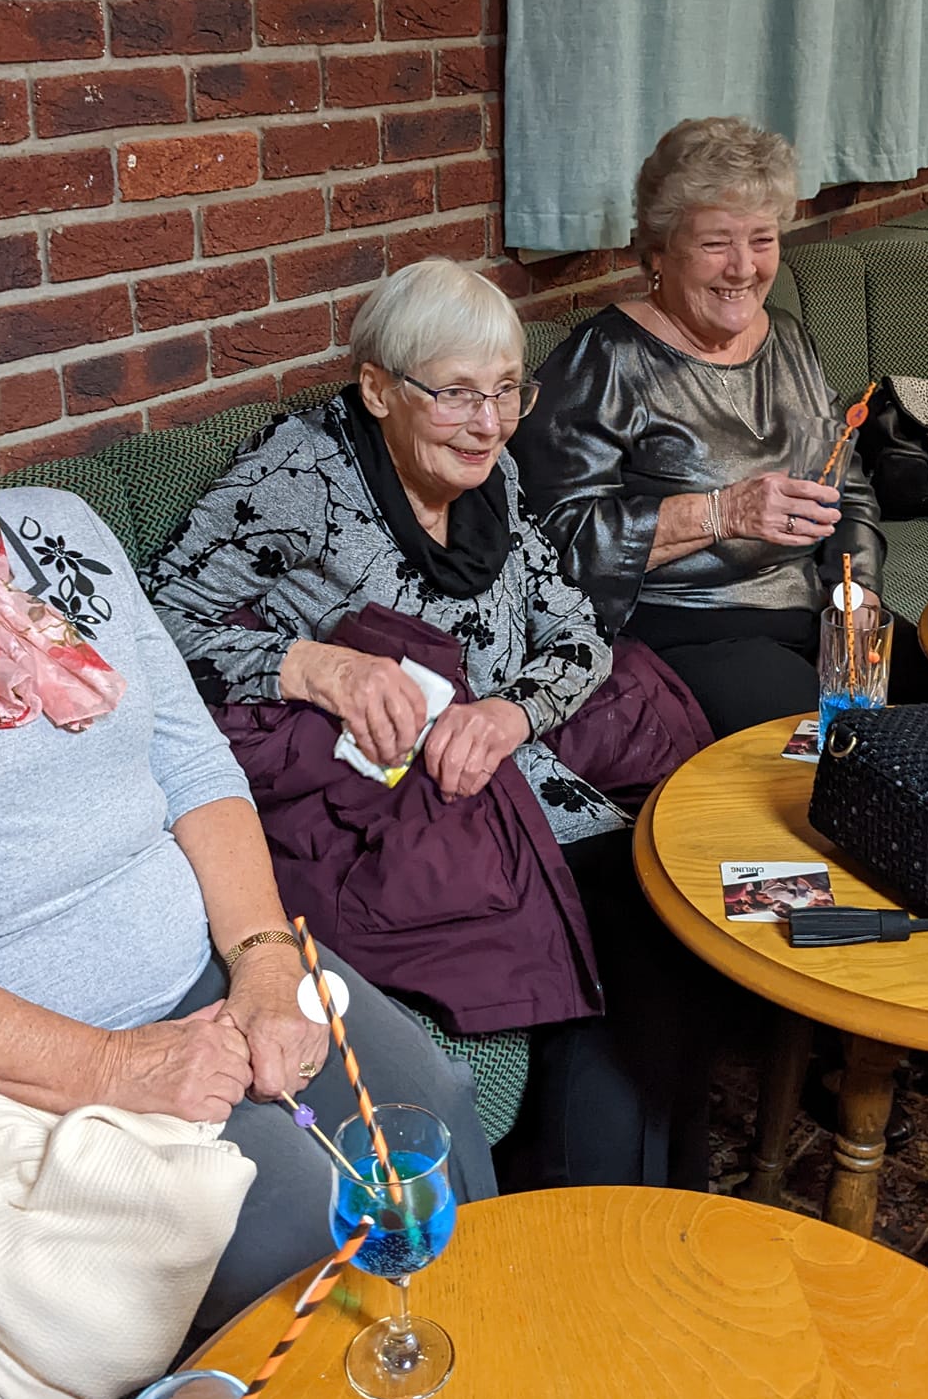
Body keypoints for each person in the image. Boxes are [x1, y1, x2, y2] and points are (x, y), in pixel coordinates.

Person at [0, 260, 495, 1333]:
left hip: (205, 965)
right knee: (307, 1220)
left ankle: (485, 1376)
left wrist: (265, 964)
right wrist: (113, 1064)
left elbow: (193, 763)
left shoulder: (61, 528)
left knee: (430, 1111)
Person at [145, 258, 713, 1190]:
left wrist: (512, 711)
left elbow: (577, 629)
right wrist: (314, 665)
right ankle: (607, 1225)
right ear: (378, 389)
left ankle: (659, 1215)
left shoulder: (492, 477)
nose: (489, 422)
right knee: (630, 945)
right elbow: (156, 627)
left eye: (506, 390)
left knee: (665, 919)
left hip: (514, 775)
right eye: (456, 394)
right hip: (396, 813)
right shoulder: (300, 479)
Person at [513, 115, 887, 739]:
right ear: (659, 252)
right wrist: (723, 512)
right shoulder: (605, 360)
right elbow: (556, 542)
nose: (743, 268)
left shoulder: (788, 338)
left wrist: (860, 594)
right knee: (839, 748)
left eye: (762, 239)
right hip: (687, 632)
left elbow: (846, 487)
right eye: (717, 243)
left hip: (811, 614)